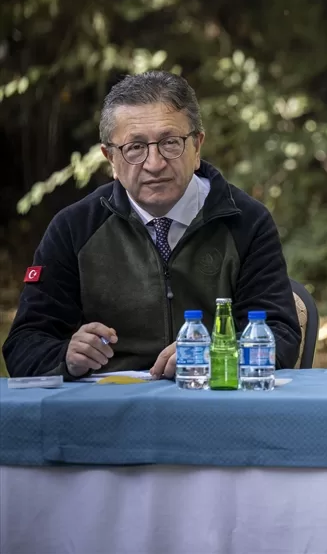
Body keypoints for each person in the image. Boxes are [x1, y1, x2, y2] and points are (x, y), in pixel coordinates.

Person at [3, 71, 301, 379]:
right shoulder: (74, 228)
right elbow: (24, 345)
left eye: (170, 143)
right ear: (110, 159)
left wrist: (215, 353)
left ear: (197, 148)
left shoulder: (246, 221)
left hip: (211, 397)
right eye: (135, 147)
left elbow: (280, 335)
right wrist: (66, 356)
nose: (155, 163)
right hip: (109, 403)